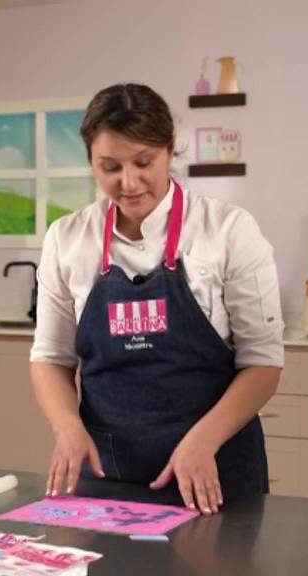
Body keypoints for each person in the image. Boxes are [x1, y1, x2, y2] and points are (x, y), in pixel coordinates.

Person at [29, 83, 284, 515]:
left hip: (212, 474)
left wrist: (201, 442)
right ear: (90, 160)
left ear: (170, 148)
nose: (128, 182)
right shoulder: (67, 238)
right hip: (107, 474)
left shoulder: (227, 230)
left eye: (143, 162)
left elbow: (263, 364)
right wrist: (67, 427)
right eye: (109, 167)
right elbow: (51, 358)